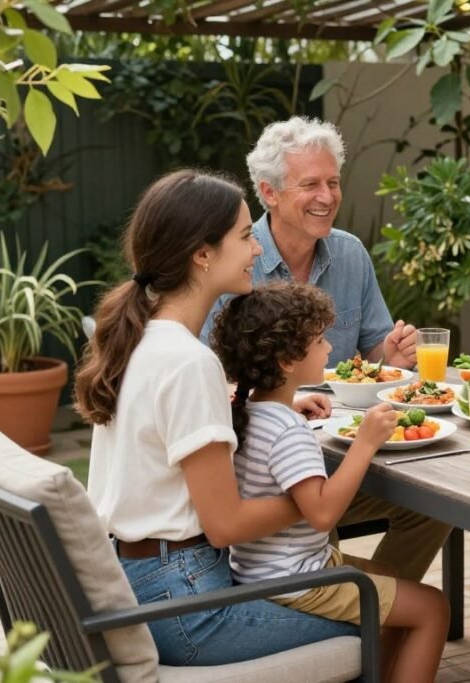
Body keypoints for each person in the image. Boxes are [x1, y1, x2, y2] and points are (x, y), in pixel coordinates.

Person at [75, 170, 358, 665]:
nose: (255, 251)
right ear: (202, 255)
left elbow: (162, 429)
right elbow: (225, 525)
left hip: (137, 585)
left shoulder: (140, 338)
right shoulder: (190, 361)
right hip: (186, 606)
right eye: (247, 236)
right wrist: (318, 500)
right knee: (373, 616)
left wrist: (269, 406)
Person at [201, 116, 451, 583]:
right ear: (270, 192)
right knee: (317, 524)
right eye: (310, 184)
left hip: (341, 453)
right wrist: (271, 399)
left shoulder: (351, 253)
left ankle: (377, 617)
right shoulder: (233, 262)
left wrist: (391, 357)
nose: (327, 196)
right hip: (264, 477)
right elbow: (206, 381)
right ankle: (354, 616)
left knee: (437, 501)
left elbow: (375, 358)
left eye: (333, 182)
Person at [210, 281, 449, 682]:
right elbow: (321, 513)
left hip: (262, 570)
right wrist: (366, 443)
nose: (330, 349)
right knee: (432, 608)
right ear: (287, 361)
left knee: (396, 581)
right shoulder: (289, 431)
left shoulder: (248, 412)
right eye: (319, 339)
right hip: (299, 581)